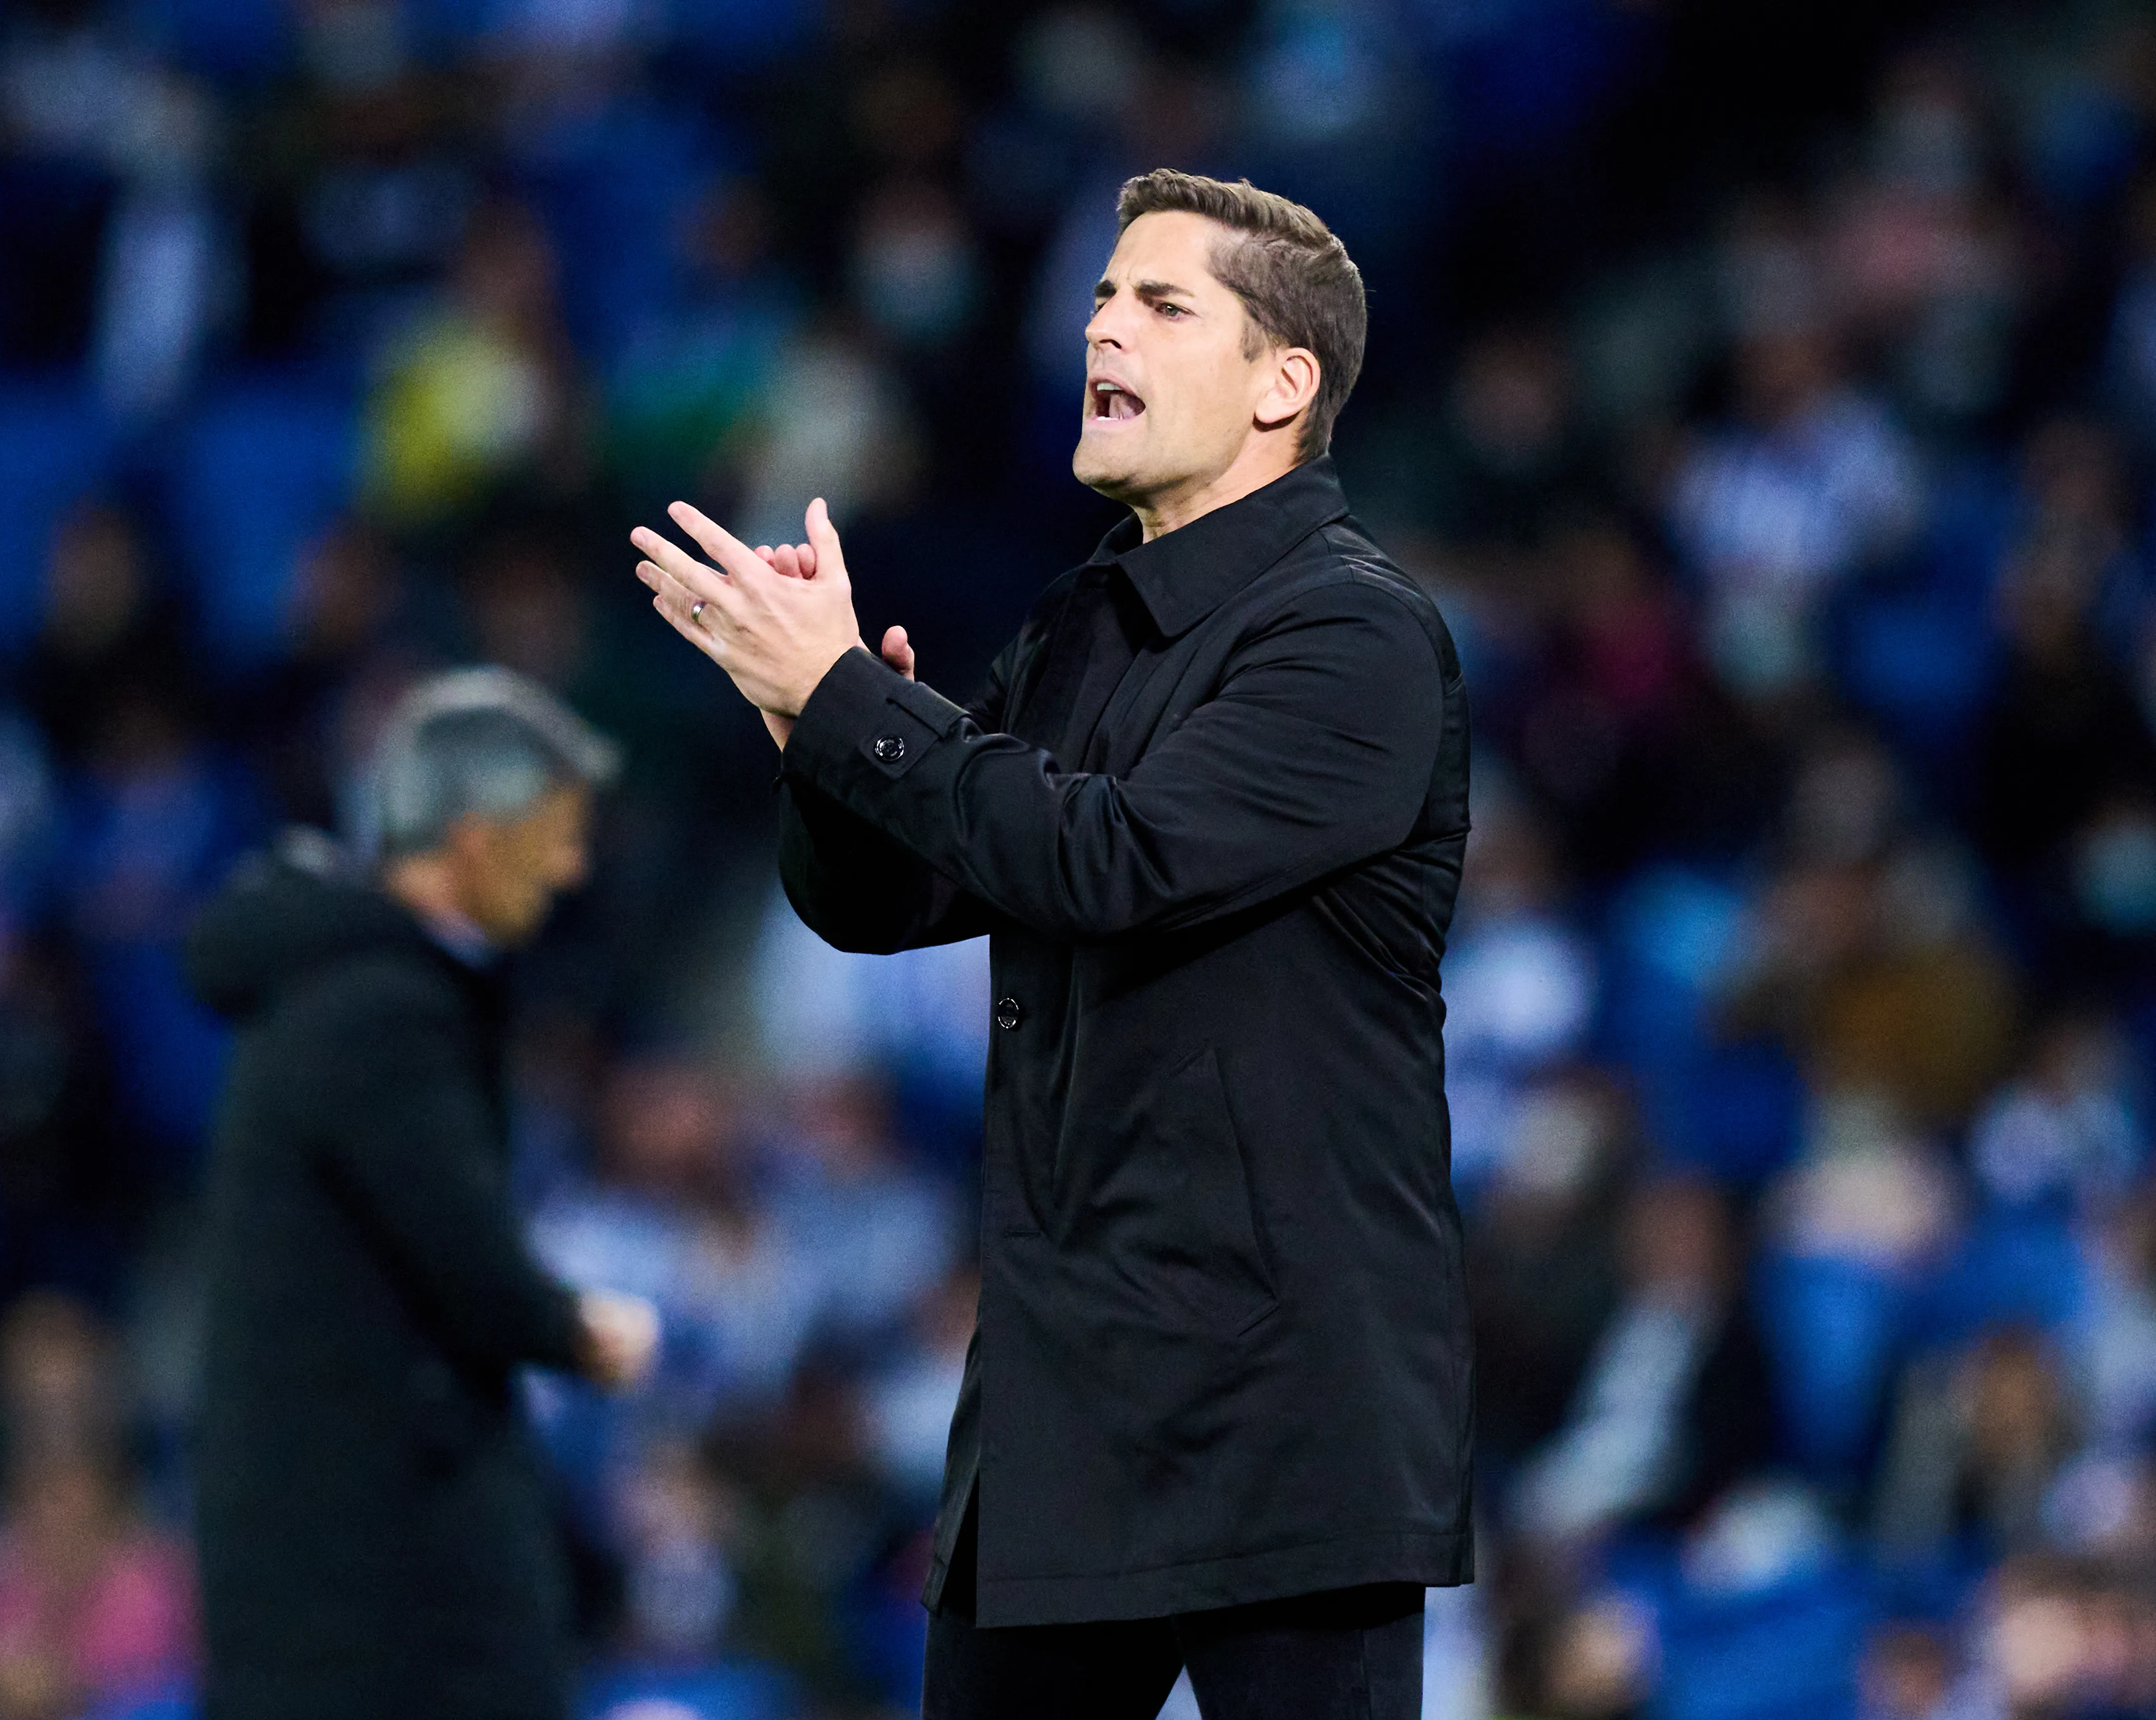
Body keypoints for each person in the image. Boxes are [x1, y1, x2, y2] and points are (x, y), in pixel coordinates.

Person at [631, 169, 1472, 1719]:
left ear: (1285, 382)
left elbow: (1113, 862)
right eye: (1099, 294)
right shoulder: (1085, 623)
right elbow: (888, 904)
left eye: (1162, 303)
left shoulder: (1354, 635)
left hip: (1284, 1408)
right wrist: (809, 732)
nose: (1103, 323)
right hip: (1061, 1398)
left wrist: (857, 712)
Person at [183, 667, 662, 1720]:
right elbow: (461, 1247)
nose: (572, 866)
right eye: (555, 833)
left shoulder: (336, 988)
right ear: (478, 837)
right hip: (376, 1555)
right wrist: (578, 1329)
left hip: (325, 1540)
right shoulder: (382, 1013)